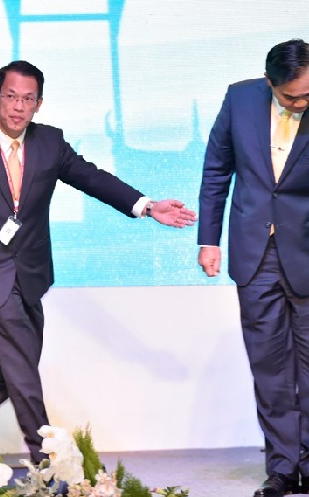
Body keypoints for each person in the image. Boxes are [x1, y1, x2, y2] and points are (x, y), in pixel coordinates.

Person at [0, 60, 197, 475]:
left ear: (39, 104)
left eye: (28, 99)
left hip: (30, 273)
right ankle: (46, 459)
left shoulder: (49, 143)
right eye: (11, 97)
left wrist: (147, 206)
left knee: (19, 364)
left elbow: (92, 178)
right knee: (22, 368)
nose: (18, 107)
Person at [198, 38, 309, 497]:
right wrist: (208, 239)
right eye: (292, 97)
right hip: (254, 253)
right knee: (270, 368)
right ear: (269, 83)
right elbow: (216, 170)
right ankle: (283, 467)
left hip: (306, 251)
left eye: (307, 95)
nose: (302, 103)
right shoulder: (240, 98)